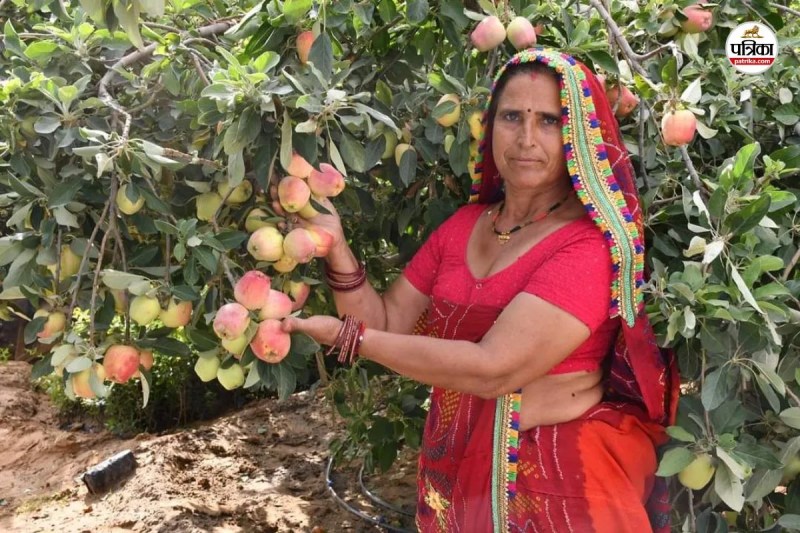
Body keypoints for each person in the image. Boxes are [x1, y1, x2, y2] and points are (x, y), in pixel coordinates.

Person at [280, 47, 678, 532]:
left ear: (577, 133)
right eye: (512, 116)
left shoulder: (589, 245)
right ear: (490, 127)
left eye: (549, 120)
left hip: (560, 482)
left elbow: (495, 369)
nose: (527, 138)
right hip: (460, 466)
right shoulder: (464, 225)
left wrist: (348, 340)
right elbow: (385, 321)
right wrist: (335, 245)